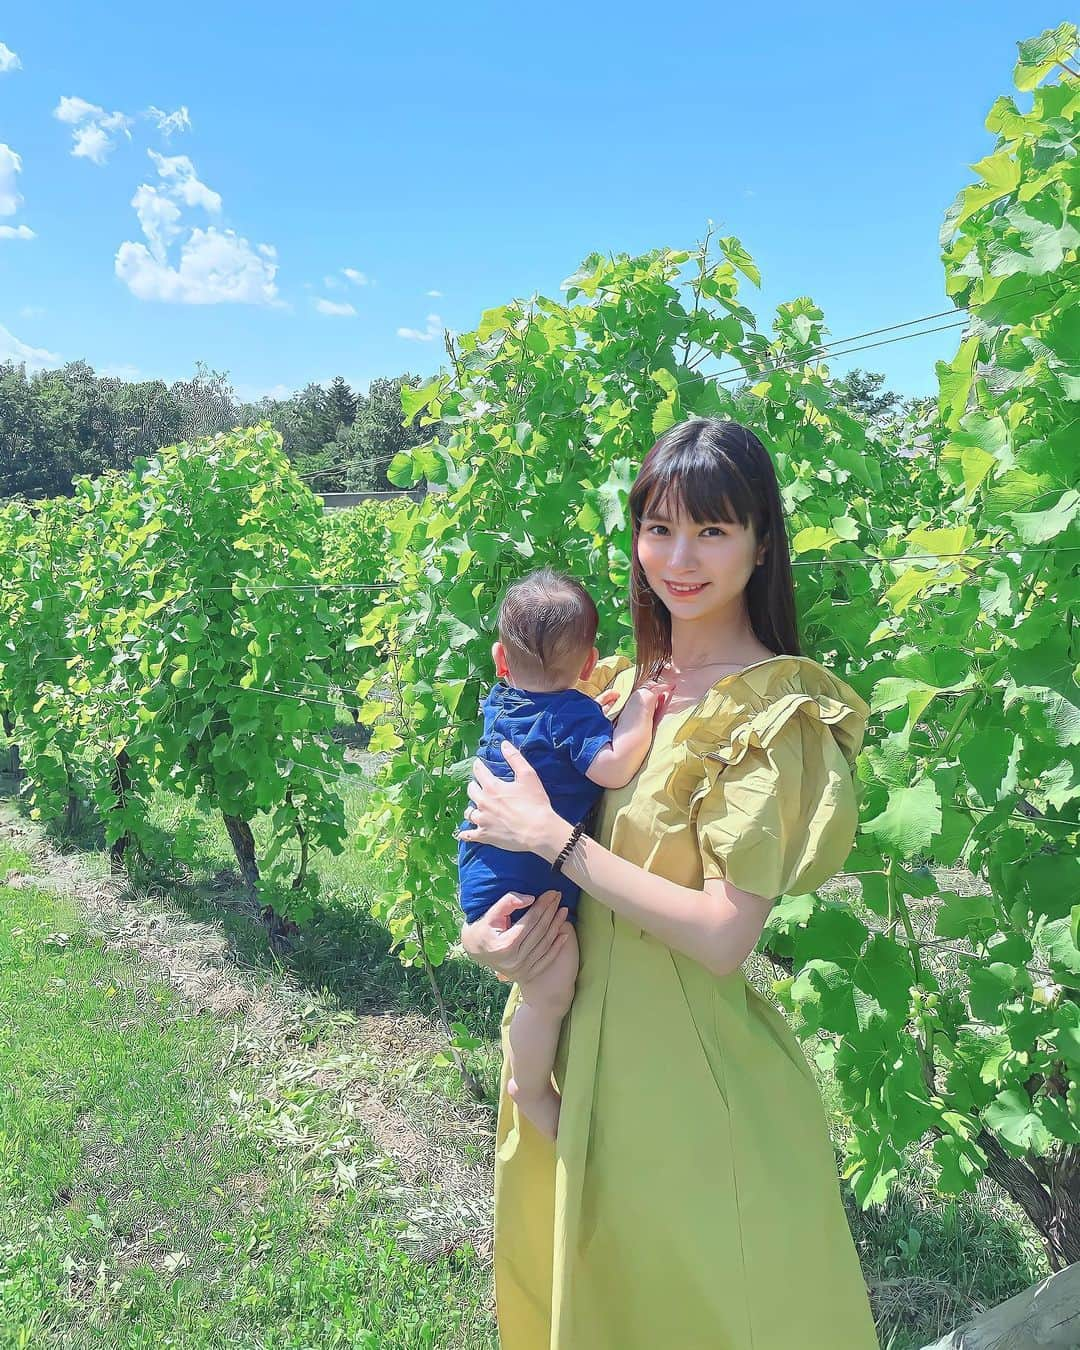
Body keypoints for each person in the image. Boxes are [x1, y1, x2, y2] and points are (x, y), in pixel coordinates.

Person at [456, 418, 880, 1349]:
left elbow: (728, 935)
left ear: (762, 541)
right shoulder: (618, 686)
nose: (678, 558)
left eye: (713, 530)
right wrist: (484, 937)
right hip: (573, 1048)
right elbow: (508, 834)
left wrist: (557, 841)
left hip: (683, 1080)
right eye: (659, 528)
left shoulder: (773, 713)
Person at [457, 566, 671, 1141]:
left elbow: (549, 742)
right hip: (528, 885)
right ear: (587, 662)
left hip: (486, 872)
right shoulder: (574, 714)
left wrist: (588, 717)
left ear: (502, 659)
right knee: (550, 988)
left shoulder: (502, 701)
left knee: (539, 981)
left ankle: (526, 1078)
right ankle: (528, 1087)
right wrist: (636, 716)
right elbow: (612, 766)